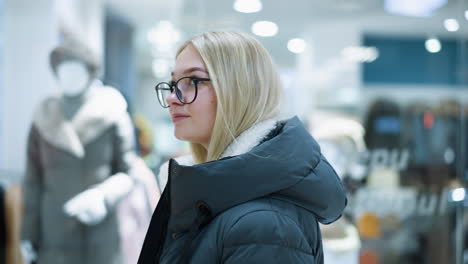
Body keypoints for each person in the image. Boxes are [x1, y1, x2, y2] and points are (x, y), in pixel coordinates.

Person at [137, 31, 347, 264]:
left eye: (193, 81)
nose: (172, 98)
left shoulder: (265, 226)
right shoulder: (212, 202)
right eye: (174, 83)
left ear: (239, 89)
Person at [21, 39, 136, 264]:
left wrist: (103, 197)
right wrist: (27, 235)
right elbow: (33, 181)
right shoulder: (43, 117)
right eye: (62, 70)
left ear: (90, 72)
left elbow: (127, 172)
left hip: (100, 234)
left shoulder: (112, 111)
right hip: (53, 233)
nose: (68, 76)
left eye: (76, 69)